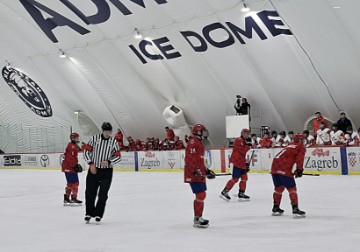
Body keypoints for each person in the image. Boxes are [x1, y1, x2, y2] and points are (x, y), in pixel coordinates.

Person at [83, 122, 121, 224]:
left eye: (109, 131)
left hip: (107, 172)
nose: (107, 133)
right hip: (94, 170)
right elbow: (86, 151)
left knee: (103, 194)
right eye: (106, 131)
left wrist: (109, 162)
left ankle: (99, 214)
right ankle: (89, 213)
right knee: (90, 192)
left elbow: (118, 156)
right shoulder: (94, 139)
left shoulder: (113, 142)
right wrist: (91, 164)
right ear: (102, 130)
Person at [184, 124, 215, 228]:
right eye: (203, 131)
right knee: (200, 195)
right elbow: (189, 159)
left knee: (202, 195)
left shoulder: (198, 143)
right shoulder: (193, 142)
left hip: (199, 173)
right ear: (197, 132)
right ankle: (197, 219)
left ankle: (198, 217)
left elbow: (199, 160)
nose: (205, 133)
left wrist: (206, 171)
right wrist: (196, 170)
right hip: (193, 174)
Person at [270, 133, 306, 218]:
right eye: (303, 140)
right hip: (284, 168)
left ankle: (276, 208)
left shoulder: (290, 145)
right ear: (300, 140)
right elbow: (300, 159)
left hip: (274, 167)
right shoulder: (300, 146)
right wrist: (299, 169)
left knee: (279, 188)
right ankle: (295, 209)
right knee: (292, 189)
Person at [220, 128, 251, 201]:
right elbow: (242, 151)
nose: (247, 135)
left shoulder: (243, 141)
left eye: (247, 134)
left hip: (241, 163)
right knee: (235, 179)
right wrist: (248, 146)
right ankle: (225, 191)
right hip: (236, 163)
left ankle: (241, 193)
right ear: (242, 134)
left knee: (244, 178)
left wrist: (245, 163)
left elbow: (243, 154)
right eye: (245, 134)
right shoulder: (239, 140)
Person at [61, 132, 82, 205]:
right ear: (72, 138)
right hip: (69, 168)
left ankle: (67, 198)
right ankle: (74, 198)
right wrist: (74, 166)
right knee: (75, 183)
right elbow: (70, 158)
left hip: (68, 167)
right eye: (76, 138)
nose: (77, 139)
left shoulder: (73, 145)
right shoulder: (72, 146)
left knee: (70, 183)